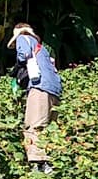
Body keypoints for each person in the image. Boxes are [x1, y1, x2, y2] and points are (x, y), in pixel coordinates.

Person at [9, 23, 61, 170]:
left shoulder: (22, 38)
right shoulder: (43, 49)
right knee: (49, 127)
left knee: (33, 125)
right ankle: (51, 161)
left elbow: (23, 55)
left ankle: (38, 164)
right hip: (54, 88)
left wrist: (17, 68)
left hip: (40, 86)